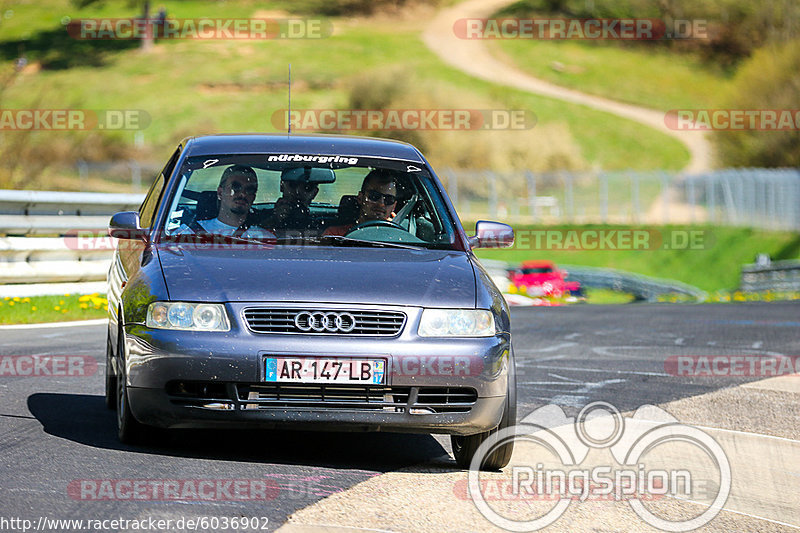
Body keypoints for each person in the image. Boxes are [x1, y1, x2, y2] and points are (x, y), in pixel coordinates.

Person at [176, 165, 274, 239]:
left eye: (249, 190)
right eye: (235, 187)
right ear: (220, 193)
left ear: (253, 197)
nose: (243, 194)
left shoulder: (265, 238)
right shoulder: (189, 233)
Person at [323, 169, 398, 236]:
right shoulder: (335, 234)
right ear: (360, 198)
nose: (381, 204)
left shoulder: (399, 237)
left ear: (394, 206)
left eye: (389, 199)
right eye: (374, 196)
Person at [259, 168, 320, 235]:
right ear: (281, 186)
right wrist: (275, 219)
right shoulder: (260, 216)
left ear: (315, 193)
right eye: (292, 184)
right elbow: (253, 236)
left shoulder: (321, 223)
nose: (297, 192)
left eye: (307, 188)